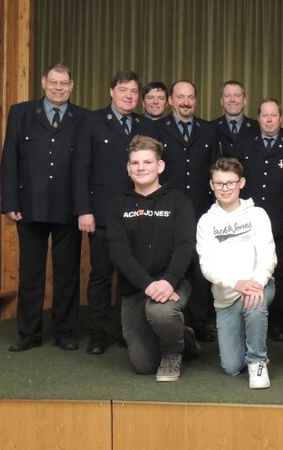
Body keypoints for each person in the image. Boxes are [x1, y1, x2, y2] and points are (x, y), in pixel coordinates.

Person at [0, 63, 87, 352]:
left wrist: (84, 207)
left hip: (68, 208)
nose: (58, 88)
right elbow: (10, 159)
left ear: (72, 85)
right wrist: (10, 202)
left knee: (67, 273)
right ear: (43, 82)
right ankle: (29, 334)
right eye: (54, 82)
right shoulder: (21, 113)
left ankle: (63, 332)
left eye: (64, 83)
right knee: (30, 273)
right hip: (30, 206)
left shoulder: (83, 118)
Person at [73, 69, 157, 355]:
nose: (129, 96)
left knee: (131, 276)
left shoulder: (145, 125)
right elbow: (80, 168)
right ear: (112, 92)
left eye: (134, 91)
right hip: (102, 215)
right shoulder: (92, 121)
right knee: (101, 275)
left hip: (138, 214)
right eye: (124, 90)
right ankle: (97, 335)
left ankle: (126, 332)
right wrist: (84, 210)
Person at [106, 135, 201, 382]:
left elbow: (185, 246)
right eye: (135, 163)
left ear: (160, 166)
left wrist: (168, 281)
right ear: (128, 168)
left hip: (173, 283)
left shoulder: (179, 201)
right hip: (137, 288)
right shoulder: (117, 205)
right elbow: (119, 253)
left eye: (147, 162)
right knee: (144, 365)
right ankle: (184, 336)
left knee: (161, 312)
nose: (141, 168)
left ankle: (173, 351)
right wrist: (148, 285)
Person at [196, 157, 277, 388]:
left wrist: (255, 283)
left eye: (230, 183)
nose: (225, 188)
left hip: (259, 285)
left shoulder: (257, 214)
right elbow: (207, 266)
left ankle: (257, 362)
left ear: (241, 183)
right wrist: (236, 283)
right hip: (226, 297)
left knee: (254, 303)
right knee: (231, 368)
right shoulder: (206, 222)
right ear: (212, 185)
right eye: (219, 183)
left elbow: (268, 256)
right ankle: (244, 343)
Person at [229, 98, 283, 342]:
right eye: (264, 115)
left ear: (281, 118)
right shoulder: (244, 142)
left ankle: (278, 322)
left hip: (281, 221)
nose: (269, 119)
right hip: (248, 221)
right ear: (258, 117)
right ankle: (245, 318)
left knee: (281, 273)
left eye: (274, 115)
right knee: (247, 268)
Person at [156, 80, 219, 342]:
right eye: (180, 97)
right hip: (167, 211)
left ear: (196, 100)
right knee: (169, 264)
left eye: (190, 97)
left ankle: (199, 323)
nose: (186, 102)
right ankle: (170, 320)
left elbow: (215, 170)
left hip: (202, 211)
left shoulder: (208, 130)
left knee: (201, 267)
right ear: (170, 100)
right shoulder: (157, 129)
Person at [214, 81, 258, 156]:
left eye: (237, 95)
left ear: (244, 101)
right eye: (227, 96)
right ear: (221, 101)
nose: (232, 99)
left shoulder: (257, 128)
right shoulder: (211, 128)